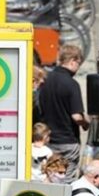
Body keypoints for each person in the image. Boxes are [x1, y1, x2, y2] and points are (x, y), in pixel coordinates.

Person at [36, 44, 90, 178]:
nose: (78, 68)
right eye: (79, 64)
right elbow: (76, 116)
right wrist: (86, 123)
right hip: (67, 142)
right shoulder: (72, 84)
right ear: (73, 61)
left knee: (50, 178)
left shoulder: (45, 80)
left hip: (48, 140)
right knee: (65, 180)